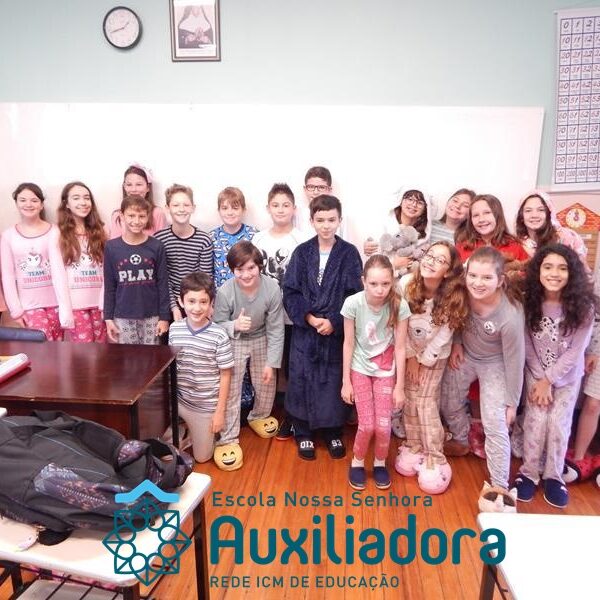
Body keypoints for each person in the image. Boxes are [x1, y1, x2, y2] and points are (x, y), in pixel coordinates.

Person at [440, 247, 525, 511]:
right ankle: (461, 438)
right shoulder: (463, 292)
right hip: (466, 354)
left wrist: (512, 402)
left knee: (495, 422)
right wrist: (456, 343)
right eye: (473, 276)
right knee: (447, 400)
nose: (478, 283)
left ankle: (499, 485)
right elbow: (456, 317)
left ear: (500, 280)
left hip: (496, 363)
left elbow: (515, 361)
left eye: (487, 278)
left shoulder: (510, 315)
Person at [514, 245, 596, 508]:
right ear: (538, 270)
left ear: (572, 273)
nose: (554, 273)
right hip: (535, 374)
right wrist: (540, 380)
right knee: (536, 421)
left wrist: (549, 380)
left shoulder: (583, 307)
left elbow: (576, 351)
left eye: (562, 268)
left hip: (567, 378)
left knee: (559, 425)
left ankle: (553, 476)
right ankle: (529, 473)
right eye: (548, 267)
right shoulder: (528, 301)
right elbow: (526, 343)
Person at [283, 194, 363, 460]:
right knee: (301, 379)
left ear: (339, 220)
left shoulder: (349, 254)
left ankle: (332, 431)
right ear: (311, 221)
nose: (326, 225)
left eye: (331, 220)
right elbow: (290, 291)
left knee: (332, 382)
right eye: (320, 220)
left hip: (335, 332)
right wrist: (309, 317)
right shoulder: (301, 252)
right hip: (306, 332)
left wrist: (334, 321)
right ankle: (302, 431)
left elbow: (355, 295)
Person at [395, 241, 469, 494]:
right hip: (408, 350)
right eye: (429, 255)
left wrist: (423, 360)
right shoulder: (406, 284)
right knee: (410, 400)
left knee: (425, 402)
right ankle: (414, 445)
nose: (430, 261)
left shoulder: (453, 296)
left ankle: (435, 456)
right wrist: (410, 357)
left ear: (448, 271)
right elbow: (398, 325)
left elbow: (444, 336)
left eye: (440, 260)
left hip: (434, 356)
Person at [212, 241, 285, 471]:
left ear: (260, 266)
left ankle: (259, 416)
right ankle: (227, 438)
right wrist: (234, 325)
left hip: (262, 336)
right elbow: (217, 324)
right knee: (231, 388)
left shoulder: (272, 288)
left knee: (266, 381)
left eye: (251, 268)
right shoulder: (225, 291)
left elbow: (276, 327)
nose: (246, 274)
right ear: (232, 270)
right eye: (240, 269)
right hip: (235, 340)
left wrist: (272, 362)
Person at [341, 254, 409, 490]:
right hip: (359, 368)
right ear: (363, 281)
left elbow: (400, 347)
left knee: (383, 425)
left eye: (385, 283)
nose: (380, 290)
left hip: (386, 371)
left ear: (392, 281)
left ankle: (380, 462)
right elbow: (348, 343)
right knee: (367, 425)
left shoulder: (400, 306)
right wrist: (346, 382)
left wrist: (400, 387)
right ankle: (358, 461)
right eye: (373, 283)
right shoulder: (353, 303)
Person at [252, 183, 308, 440]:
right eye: (276, 205)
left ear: (294, 208)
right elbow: (251, 274)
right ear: (268, 208)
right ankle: (267, 410)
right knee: (269, 363)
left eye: (286, 205)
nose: (281, 209)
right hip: (265, 314)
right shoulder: (258, 239)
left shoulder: (302, 239)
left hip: (292, 315)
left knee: (291, 365)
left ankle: (292, 416)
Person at [168, 272, 233, 464]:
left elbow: (226, 375)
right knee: (160, 448)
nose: (197, 308)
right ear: (181, 302)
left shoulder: (219, 335)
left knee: (202, 458)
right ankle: (182, 429)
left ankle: (197, 434)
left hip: (205, 406)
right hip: (179, 400)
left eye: (203, 302)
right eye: (191, 301)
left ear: (211, 304)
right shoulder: (175, 329)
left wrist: (219, 412)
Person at [1, 183, 72, 340]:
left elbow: (62, 270)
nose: (28, 204)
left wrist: (66, 307)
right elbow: (7, 276)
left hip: (56, 303)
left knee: (58, 347)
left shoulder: (55, 231)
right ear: (16, 203)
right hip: (29, 306)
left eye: (34, 200)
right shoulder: (8, 236)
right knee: (41, 345)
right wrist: (16, 310)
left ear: (41, 205)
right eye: (23, 200)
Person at [103, 196, 170, 344]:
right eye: (131, 215)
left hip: (152, 315)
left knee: (152, 355)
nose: (136, 221)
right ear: (122, 216)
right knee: (128, 356)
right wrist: (108, 317)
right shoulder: (111, 247)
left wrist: (164, 317)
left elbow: (162, 283)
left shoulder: (157, 246)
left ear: (148, 217)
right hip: (122, 315)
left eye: (141, 216)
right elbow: (109, 285)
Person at [57, 181, 107, 342]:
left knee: (104, 351)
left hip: (100, 304)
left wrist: (106, 303)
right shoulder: (57, 234)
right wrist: (65, 309)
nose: (83, 202)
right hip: (76, 306)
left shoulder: (102, 231)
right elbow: (58, 275)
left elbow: (108, 270)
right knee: (85, 353)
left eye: (87, 198)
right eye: (76, 198)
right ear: (66, 203)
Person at [154, 184, 212, 321]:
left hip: (196, 301)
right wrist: (174, 307)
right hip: (169, 302)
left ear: (193, 208)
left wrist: (195, 305)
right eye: (176, 205)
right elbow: (162, 278)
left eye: (186, 205)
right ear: (167, 208)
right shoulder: (159, 239)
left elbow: (205, 278)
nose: (181, 209)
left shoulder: (204, 240)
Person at [565, 278, 600, 485]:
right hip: (595, 344)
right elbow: (594, 308)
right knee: (592, 403)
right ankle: (579, 458)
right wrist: (594, 349)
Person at [363, 188, 432, 274]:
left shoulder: (424, 234)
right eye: (410, 199)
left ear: (425, 208)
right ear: (401, 201)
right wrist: (393, 264)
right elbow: (372, 259)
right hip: (380, 276)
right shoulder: (385, 223)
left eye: (420, 203)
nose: (414, 204)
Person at [515, 191, 588, 266]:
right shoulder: (517, 244)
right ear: (521, 216)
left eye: (541, 210)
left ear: (549, 213)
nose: (534, 215)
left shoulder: (569, 238)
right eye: (528, 211)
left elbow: (581, 270)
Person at [455, 194, 529, 264]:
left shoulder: (515, 247)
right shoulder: (462, 247)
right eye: (476, 215)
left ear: (498, 215)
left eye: (487, 213)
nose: (481, 219)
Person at [210, 187, 257, 289]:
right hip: (220, 295)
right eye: (225, 208)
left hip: (248, 293)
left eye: (235, 208)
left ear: (243, 210)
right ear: (219, 210)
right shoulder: (211, 237)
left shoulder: (254, 235)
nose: (230, 212)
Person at [109, 165, 167, 239]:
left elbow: (160, 242)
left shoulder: (157, 213)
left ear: (148, 187)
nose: (133, 189)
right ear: (124, 187)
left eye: (139, 184)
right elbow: (114, 243)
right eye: (129, 185)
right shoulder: (117, 215)